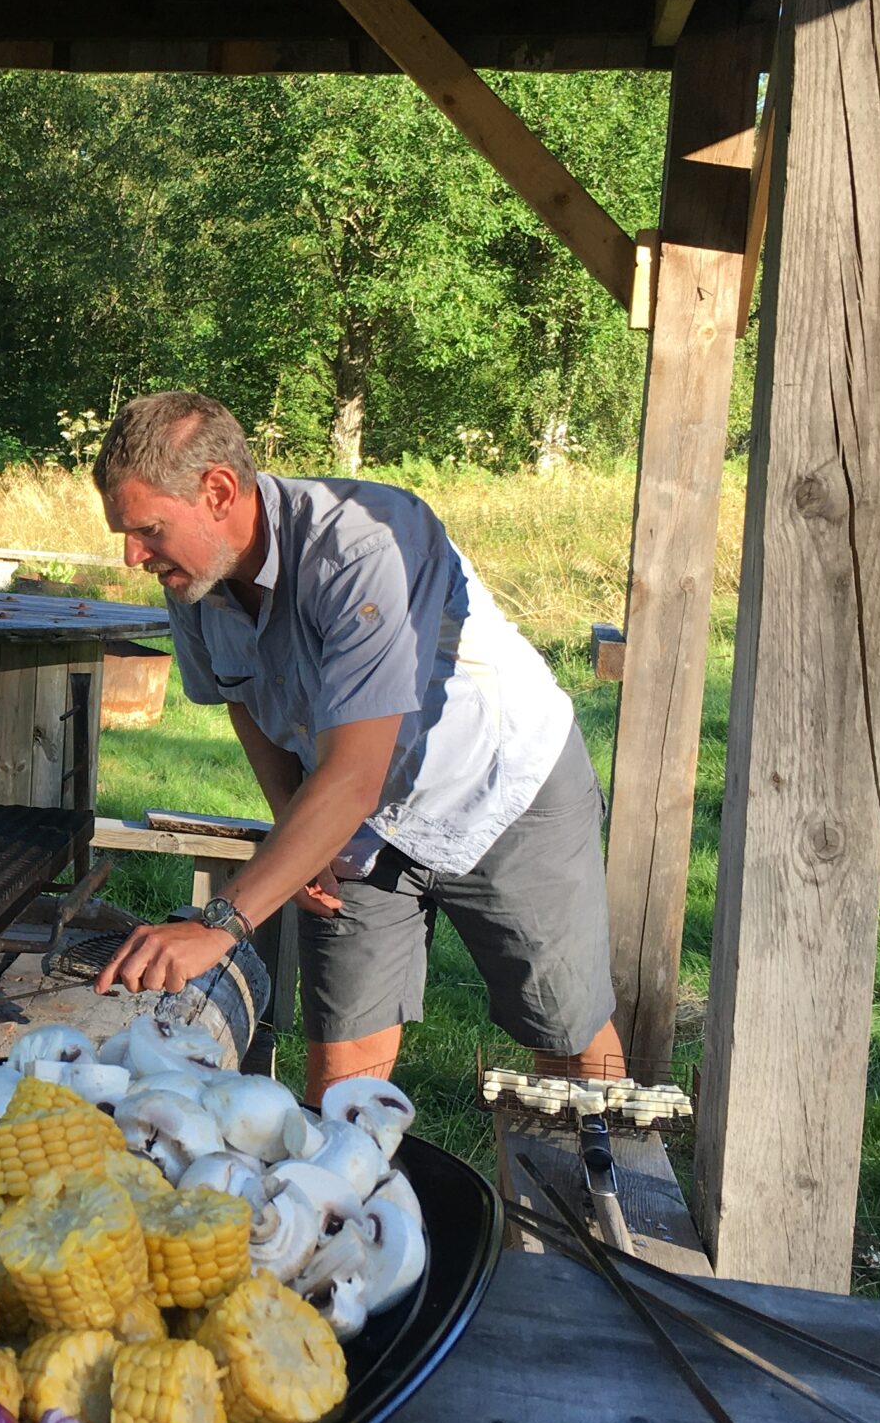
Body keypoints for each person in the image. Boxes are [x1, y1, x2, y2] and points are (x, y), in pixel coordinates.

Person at [91, 391, 626, 1099]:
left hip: (496, 791)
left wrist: (221, 923)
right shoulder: (194, 576)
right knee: (340, 1076)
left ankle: (609, 1167)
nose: (133, 556)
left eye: (148, 530)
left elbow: (353, 776)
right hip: (356, 818)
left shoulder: (366, 545)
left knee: (567, 1037)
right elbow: (242, 700)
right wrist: (296, 828)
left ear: (217, 491)